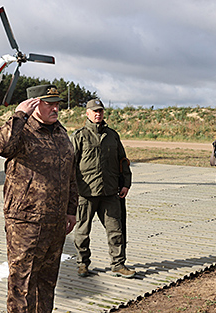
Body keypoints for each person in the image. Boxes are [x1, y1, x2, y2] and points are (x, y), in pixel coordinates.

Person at [0, 84, 78, 313]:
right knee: (22, 285)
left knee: (46, 283)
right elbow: (1, 146)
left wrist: (71, 210)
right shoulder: (21, 131)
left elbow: (71, 176)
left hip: (56, 221)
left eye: (57, 103)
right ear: (34, 104)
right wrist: (19, 115)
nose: (55, 108)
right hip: (26, 222)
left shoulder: (61, 133)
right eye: (49, 103)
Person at [70, 98, 135, 278]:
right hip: (86, 193)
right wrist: (71, 190)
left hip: (110, 192)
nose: (98, 114)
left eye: (100, 111)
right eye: (94, 111)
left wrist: (125, 184)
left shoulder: (112, 136)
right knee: (82, 231)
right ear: (87, 113)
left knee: (116, 230)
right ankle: (82, 264)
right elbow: (70, 165)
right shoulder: (79, 136)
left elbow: (123, 161)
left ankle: (118, 264)